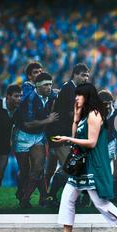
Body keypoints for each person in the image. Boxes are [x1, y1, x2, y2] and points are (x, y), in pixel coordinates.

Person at [48, 83, 117, 232]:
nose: (76, 98)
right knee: (67, 198)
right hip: (81, 166)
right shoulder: (85, 115)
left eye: (79, 95)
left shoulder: (94, 115)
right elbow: (77, 134)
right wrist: (75, 119)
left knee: (100, 203)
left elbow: (91, 142)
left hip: (91, 165)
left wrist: (68, 139)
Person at [12, 72, 59, 209]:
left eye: (50, 84)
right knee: (25, 171)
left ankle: (25, 199)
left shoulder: (50, 94)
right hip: (23, 136)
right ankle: (23, 192)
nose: (49, 87)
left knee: (38, 168)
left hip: (38, 136)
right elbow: (28, 124)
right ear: (37, 87)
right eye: (46, 85)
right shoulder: (30, 99)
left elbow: (59, 94)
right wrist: (48, 120)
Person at [46, 64, 90, 204]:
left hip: (65, 133)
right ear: (75, 74)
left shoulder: (74, 89)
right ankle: (55, 196)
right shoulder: (69, 89)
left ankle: (53, 195)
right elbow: (73, 114)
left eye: (87, 76)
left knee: (69, 166)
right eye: (83, 75)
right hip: (59, 133)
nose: (86, 78)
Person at [0, 84, 22, 211]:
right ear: (8, 96)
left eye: (20, 96)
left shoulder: (18, 111)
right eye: (16, 96)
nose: (19, 99)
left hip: (3, 148)